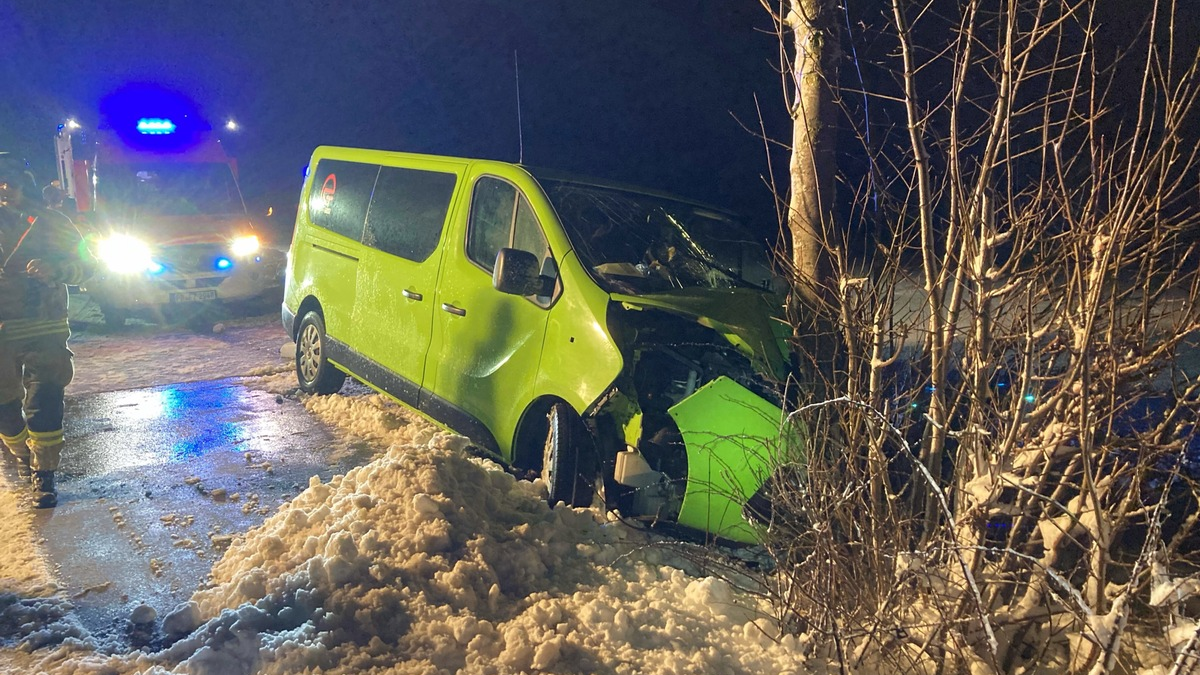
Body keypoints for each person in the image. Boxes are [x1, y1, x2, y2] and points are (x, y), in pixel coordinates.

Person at [0, 153, 94, 507]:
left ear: (26, 183)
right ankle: (22, 454)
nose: (6, 188)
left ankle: (45, 473)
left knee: (45, 399)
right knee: (5, 409)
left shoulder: (51, 222)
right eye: (0, 181)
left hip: (45, 326)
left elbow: (87, 266)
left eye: (12, 180)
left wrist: (55, 269)